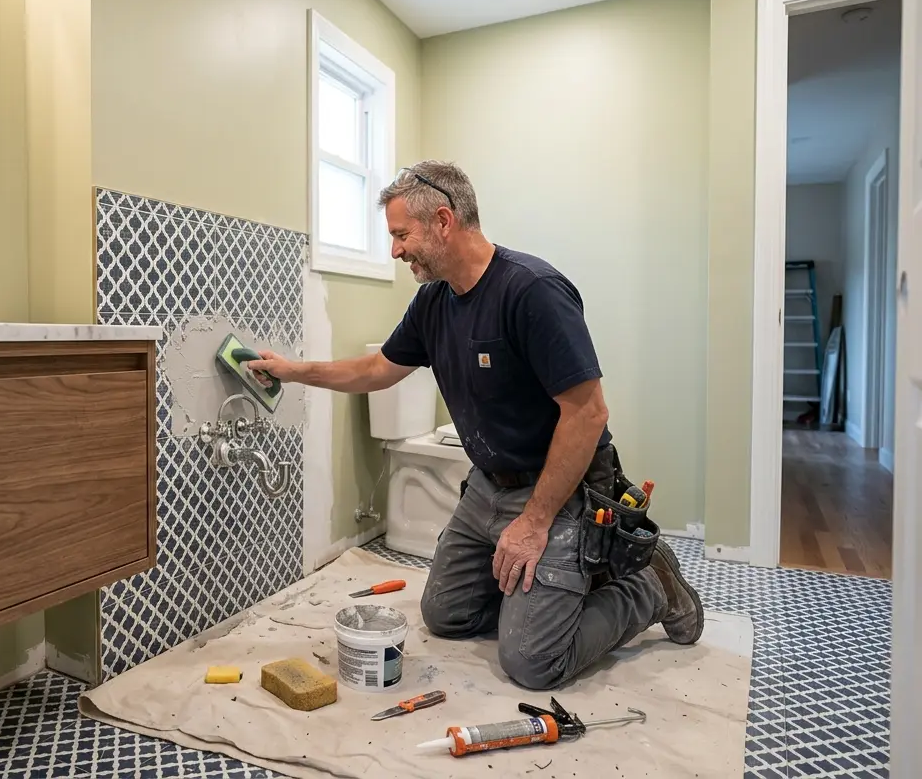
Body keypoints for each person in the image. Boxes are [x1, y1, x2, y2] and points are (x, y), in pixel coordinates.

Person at [245, 160, 703, 690]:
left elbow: (589, 412)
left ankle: (648, 586)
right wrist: (295, 371)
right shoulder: (433, 302)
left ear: (443, 220)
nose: (395, 251)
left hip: (558, 492)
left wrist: (534, 524)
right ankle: (545, 594)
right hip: (486, 487)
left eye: (400, 235)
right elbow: (377, 369)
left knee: (534, 663)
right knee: (446, 616)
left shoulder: (532, 291)